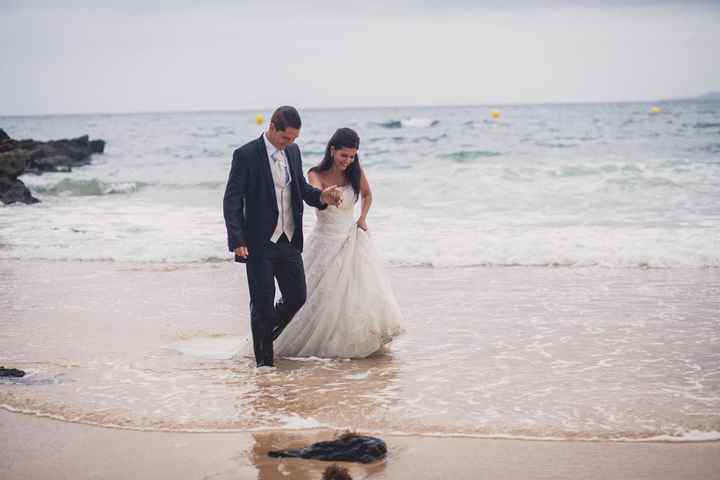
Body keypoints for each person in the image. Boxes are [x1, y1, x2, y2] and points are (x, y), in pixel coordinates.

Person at [223, 106, 342, 368]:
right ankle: (265, 367)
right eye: (285, 138)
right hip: (258, 243)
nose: (289, 143)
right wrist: (237, 240)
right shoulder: (245, 155)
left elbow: (300, 188)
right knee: (262, 304)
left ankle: (263, 333)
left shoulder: (293, 152)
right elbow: (232, 200)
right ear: (272, 128)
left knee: (297, 297)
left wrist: (322, 197)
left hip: (288, 241)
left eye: (294, 139)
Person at [273, 128, 404, 358]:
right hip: (324, 242)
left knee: (356, 294)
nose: (348, 160)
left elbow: (367, 195)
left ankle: (357, 342)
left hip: (352, 239)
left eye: (352, 156)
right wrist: (325, 195)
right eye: (344, 155)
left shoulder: (355, 172)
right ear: (332, 150)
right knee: (319, 297)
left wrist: (362, 218)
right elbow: (314, 194)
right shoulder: (316, 173)